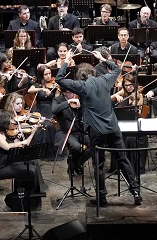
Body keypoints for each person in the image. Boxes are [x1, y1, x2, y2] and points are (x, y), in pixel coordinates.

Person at [55, 48, 143, 206]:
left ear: (80, 76)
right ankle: (136, 191)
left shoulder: (81, 86)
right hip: (113, 128)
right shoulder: (105, 80)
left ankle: (102, 198)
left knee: (99, 164)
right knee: (122, 159)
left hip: (97, 131)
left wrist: (66, 61)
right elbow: (117, 68)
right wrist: (103, 59)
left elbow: (59, 79)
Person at [0, 109, 46, 211]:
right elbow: (7, 147)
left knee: (32, 164)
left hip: (7, 162)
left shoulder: (6, 132)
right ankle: (22, 200)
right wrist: (20, 143)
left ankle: (30, 199)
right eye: (9, 120)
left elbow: (25, 143)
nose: (11, 122)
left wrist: (31, 133)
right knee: (30, 171)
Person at [51, 88, 88, 174]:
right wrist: (68, 102)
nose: (73, 94)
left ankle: (75, 163)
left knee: (94, 144)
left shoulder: (79, 99)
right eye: (70, 92)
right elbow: (54, 110)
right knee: (77, 147)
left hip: (79, 131)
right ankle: (74, 163)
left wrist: (82, 106)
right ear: (64, 93)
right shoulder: (57, 100)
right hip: (66, 132)